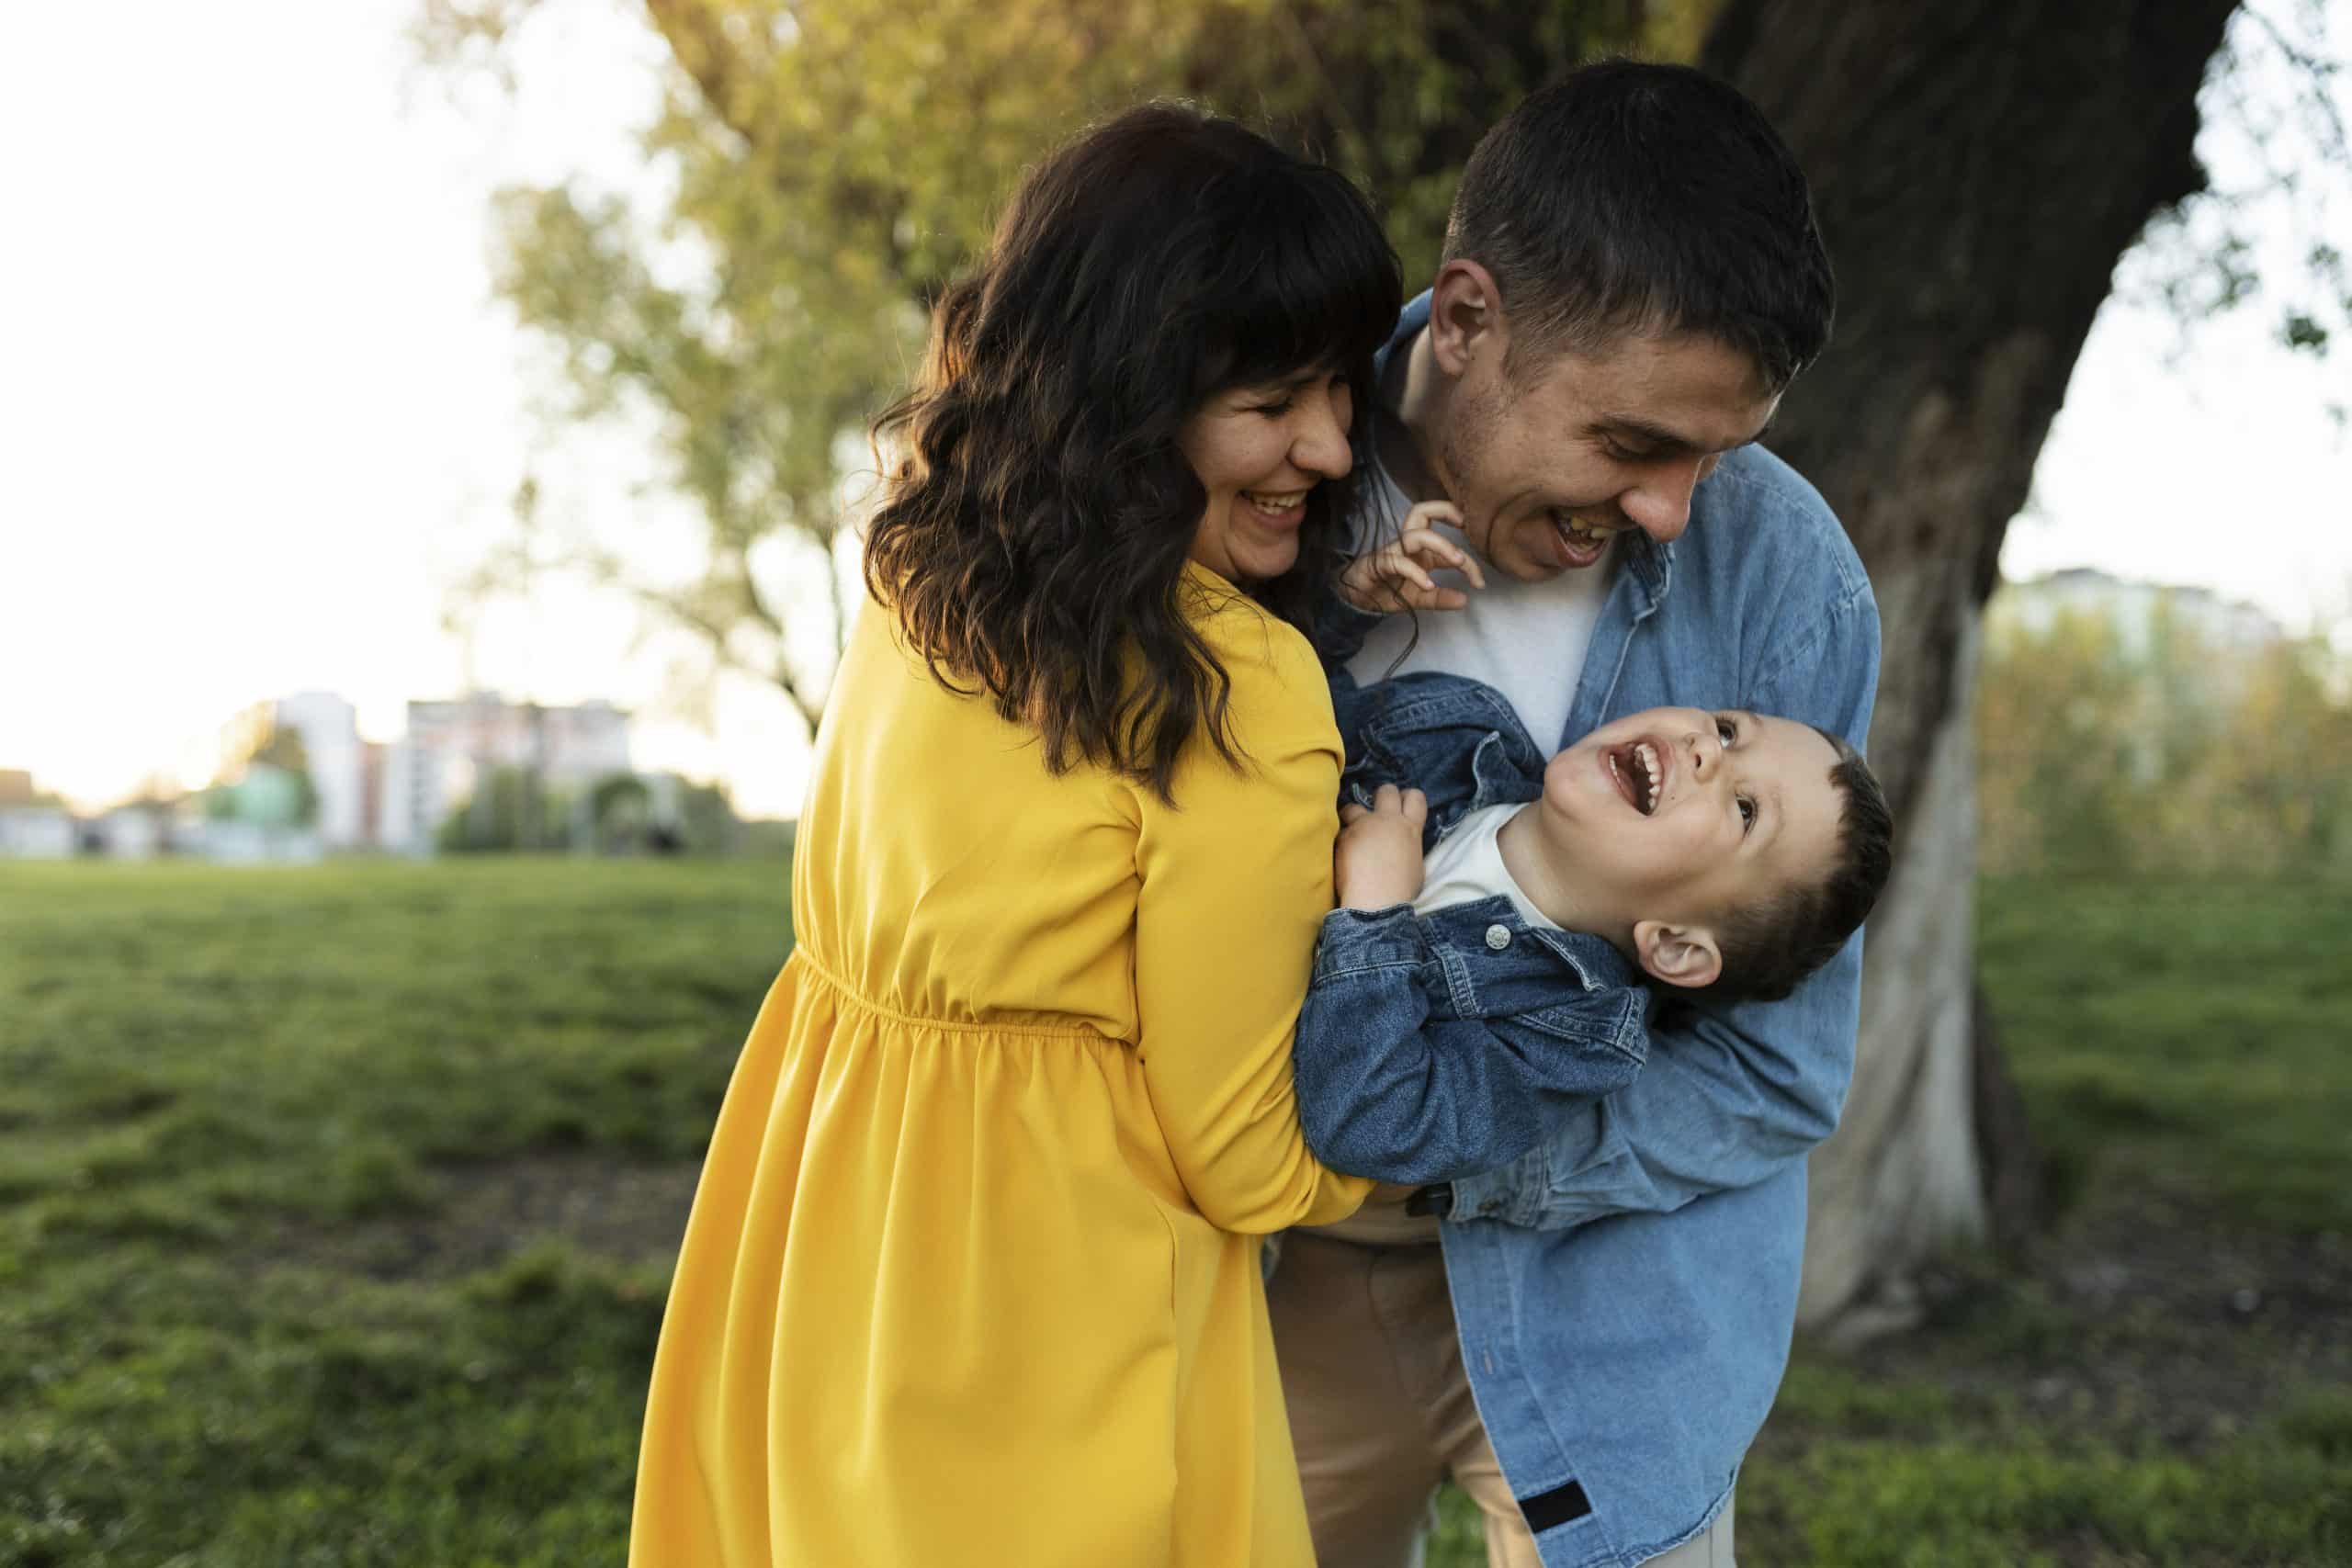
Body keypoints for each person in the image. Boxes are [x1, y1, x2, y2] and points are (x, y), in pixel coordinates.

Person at [627, 103, 1402, 1567]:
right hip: (1052, 1335)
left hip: (821, 1254)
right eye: (1272, 398)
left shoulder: (916, 577)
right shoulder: (1239, 689)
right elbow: (1247, 1159)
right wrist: (1392, 1019)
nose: (1327, 442)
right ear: (1134, 393)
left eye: (1340, 388)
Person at [1264, 61, 1880, 1568]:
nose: (1674, 508)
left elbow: (1780, 1065)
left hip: (1613, 1300)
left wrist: (1452, 1143)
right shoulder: (1257, 460)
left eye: (1715, 453)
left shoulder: (1787, 576)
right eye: (1633, 444)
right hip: (1271, 1274)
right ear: (1468, 319)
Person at [1283, 647, 1893, 1186]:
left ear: (1676, 946)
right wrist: (1345, 602)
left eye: (1745, 809)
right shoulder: (1458, 729)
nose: (1707, 747)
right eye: (1730, 731)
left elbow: (1373, 1126)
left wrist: (1374, 914)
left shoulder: (1570, 1038)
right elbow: (1272, 696)